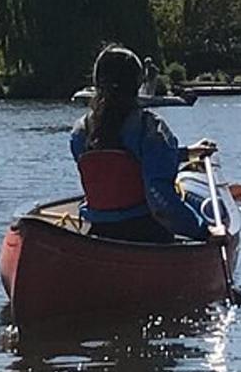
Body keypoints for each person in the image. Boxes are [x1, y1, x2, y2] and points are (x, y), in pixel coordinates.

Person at [70, 44, 222, 244]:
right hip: (148, 232)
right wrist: (205, 231)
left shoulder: (81, 131)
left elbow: (119, 168)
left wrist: (185, 153)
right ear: (138, 82)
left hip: (100, 233)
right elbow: (159, 197)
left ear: (97, 82)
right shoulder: (151, 129)